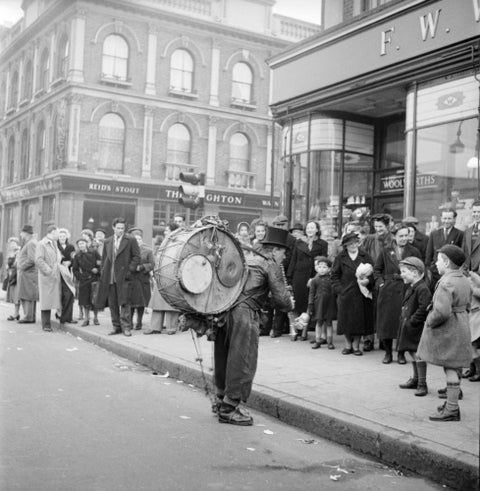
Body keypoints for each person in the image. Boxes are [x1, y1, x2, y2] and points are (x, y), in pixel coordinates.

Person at [213, 226, 294, 426]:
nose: (284, 257)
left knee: (223, 356)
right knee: (243, 359)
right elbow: (282, 300)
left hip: (224, 311)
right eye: (284, 252)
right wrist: (290, 304)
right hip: (244, 315)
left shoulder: (246, 258)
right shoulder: (270, 264)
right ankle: (229, 408)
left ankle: (220, 399)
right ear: (275, 250)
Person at [417, 245, 472, 422]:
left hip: (449, 329)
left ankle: (451, 409)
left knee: (449, 368)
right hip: (462, 324)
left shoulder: (446, 282)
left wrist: (429, 320)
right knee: (455, 366)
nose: (436, 263)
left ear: (447, 262)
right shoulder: (463, 278)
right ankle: (451, 403)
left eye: (439, 260)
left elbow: (441, 312)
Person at [374, 224, 421, 364]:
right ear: (394, 236)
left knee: (404, 321)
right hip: (388, 290)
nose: (404, 238)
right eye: (401, 236)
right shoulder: (386, 251)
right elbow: (377, 270)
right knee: (387, 322)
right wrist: (381, 284)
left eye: (406, 235)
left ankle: (401, 353)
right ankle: (388, 353)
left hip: (407, 289)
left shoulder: (414, 251)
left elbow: (420, 270)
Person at [95, 217, 140, 337]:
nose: (120, 230)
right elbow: (104, 259)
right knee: (112, 303)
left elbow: (136, 257)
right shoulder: (108, 241)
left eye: (122, 228)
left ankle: (126, 327)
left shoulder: (130, 239)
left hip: (124, 276)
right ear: (113, 228)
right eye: (118, 228)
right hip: (110, 277)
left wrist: (130, 270)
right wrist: (103, 272)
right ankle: (116, 326)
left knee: (125, 302)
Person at [331, 232, 374, 355]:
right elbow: (334, 275)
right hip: (346, 293)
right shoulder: (341, 257)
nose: (353, 245)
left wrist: (368, 282)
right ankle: (347, 345)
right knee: (346, 321)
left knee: (359, 321)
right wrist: (340, 290)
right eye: (350, 244)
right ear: (345, 245)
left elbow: (374, 273)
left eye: (356, 242)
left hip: (361, 294)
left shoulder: (365, 255)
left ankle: (356, 346)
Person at [397, 257, 432, 396]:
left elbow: (424, 308)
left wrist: (412, 321)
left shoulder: (422, 288)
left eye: (404, 271)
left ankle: (422, 384)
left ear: (415, 273)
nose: (401, 274)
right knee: (412, 352)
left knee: (418, 355)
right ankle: (416, 379)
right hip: (410, 327)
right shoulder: (413, 287)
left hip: (416, 328)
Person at [287, 221, 328, 333]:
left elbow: (323, 261)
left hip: (313, 277)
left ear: (317, 230)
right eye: (308, 228)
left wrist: (317, 276)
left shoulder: (322, 244)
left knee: (309, 302)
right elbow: (293, 260)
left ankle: (307, 328)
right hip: (299, 276)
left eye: (312, 228)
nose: (310, 230)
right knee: (298, 302)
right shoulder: (299, 242)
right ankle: (297, 329)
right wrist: (289, 277)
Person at [362, 214, 394, 352]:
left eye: (381, 226)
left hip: (386, 278)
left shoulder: (392, 239)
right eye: (376, 227)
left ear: (387, 226)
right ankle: (368, 339)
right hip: (370, 277)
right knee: (369, 309)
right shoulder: (369, 239)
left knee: (384, 310)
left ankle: (383, 339)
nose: (378, 229)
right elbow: (363, 255)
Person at [145, 222, 181, 335]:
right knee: (157, 301)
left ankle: (171, 327)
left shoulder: (179, 243)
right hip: (161, 273)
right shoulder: (164, 242)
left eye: (167, 230)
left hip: (172, 274)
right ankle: (155, 326)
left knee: (171, 301)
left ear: (173, 231)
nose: (165, 232)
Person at [269, 215, 297, 337]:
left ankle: (279, 329)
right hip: (273, 269)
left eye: (282, 224)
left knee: (283, 298)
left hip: (285, 271)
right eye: (277, 225)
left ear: (287, 225)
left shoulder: (291, 239)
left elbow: (293, 258)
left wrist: (289, 274)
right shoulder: (271, 236)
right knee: (273, 300)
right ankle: (275, 327)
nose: (280, 227)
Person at [425, 208, 464, 289]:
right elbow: (429, 254)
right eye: (444, 218)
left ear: (454, 219)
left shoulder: (460, 234)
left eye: (449, 218)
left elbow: (461, 255)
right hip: (435, 273)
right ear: (441, 218)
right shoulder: (434, 233)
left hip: (452, 273)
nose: (446, 221)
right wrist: (429, 269)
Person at [35, 225, 62, 332]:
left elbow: (57, 257)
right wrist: (49, 271)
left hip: (55, 275)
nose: (59, 235)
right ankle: (46, 325)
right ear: (52, 232)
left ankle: (52, 320)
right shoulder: (42, 244)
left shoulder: (54, 243)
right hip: (47, 276)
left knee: (53, 299)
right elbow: (38, 260)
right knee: (46, 301)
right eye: (57, 233)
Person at [128, 227, 155, 330]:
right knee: (130, 302)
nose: (137, 241)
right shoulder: (128, 250)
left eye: (139, 239)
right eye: (135, 239)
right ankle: (129, 322)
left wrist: (143, 267)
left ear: (142, 240)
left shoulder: (148, 250)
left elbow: (152, 264)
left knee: (141, 302)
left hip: (143, 279)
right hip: (131, 279)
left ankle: (139, 321)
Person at [307, 256, 336, 349]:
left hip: (329, 304)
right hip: (318, 304)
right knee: (319, 322)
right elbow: (311, 293)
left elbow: (335, 291)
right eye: (320, 267)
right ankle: (318, 340)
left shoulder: (332, 279)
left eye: (324, 267)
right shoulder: (314, 280)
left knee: (329, 323)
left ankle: (330, 342)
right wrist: (310, 304)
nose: (322, 269)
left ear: (329, 269)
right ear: (316, 268)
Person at [72, 237, 101, 326]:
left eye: (83, 243)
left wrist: (98, 270)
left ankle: (96, 318)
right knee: (84, 300)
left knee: (95, 299)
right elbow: (75, 269)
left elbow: (101, 262)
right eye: (79, 244)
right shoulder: (77, 256)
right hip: (84, 280)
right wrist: (81, 277)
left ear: (86, 244)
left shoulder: (94, 252)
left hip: (95, 279)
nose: (81, 245)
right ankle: (86, 318)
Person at [16, 225, 38, 324]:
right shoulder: (30, 242)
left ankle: (28, 317)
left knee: (27, 294)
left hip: (28, 273)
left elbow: (32, 259)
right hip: (27, 273)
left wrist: (21, 266)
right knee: (27, 294)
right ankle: (30, 316)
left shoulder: (31, 243)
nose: (21, 234)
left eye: (22, 232)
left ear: (26, 233)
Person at [57, 228, 77, 325]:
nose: (62, 238)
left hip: (68, 273)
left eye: (64, 236)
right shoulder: (54, 246)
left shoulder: (71, 247)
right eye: (60, 236)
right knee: (58, 294)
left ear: (67, 237)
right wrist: (61, 262)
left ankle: (67, 317)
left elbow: (74, 258)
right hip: (56, 273)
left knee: (69, 294)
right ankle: (59, 313)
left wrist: (70, 262)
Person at [465, 269, 480, 382]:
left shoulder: (473, 282)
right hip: (470, 315)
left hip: (477, 316)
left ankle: (478, 371)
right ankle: (472, 369)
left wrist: (472, 288)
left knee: (472, 345)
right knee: (469, 345)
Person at [5, 237, 21, 321]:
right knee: (14, 296)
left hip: (17, 277)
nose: (12, 245)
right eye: (10, 243)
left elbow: (18, 263)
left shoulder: (18, 252)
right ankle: (16, 313)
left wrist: (11, 266)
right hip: (12, 277)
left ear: (17, 244)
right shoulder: (10, 253)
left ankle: (16, 313)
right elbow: (8, 265)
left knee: (17, 296)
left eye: (13, 243)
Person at [462, 200, 480, 272]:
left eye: (479, 212)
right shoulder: (468, 231)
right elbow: (463, 251)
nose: (476, 214)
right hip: (468, 272)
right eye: (474, 212)